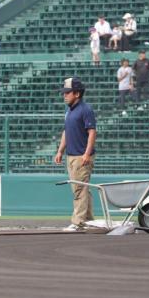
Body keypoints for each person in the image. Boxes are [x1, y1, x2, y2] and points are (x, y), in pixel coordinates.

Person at [53, 77, 95, 233]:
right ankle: (89, 220)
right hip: (71, 155)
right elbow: (66, 132)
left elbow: (92, 132)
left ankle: (78, 222)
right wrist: (60, 150)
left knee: (79, 189)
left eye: (67, 92)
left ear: (77, 94)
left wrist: (87, 153)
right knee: (82, 189)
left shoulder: (85, 109)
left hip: (81, 156)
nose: (64, 95)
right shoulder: (69, 111)